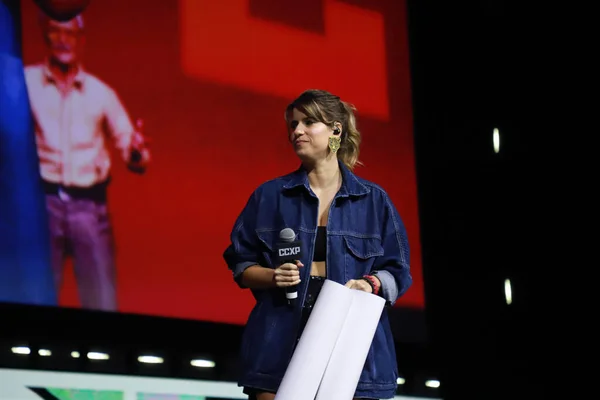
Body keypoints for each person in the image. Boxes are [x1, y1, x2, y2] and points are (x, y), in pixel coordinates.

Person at [223, 89, 412, 399]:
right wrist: (273, 276)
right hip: (278, 348)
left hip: (353, 354)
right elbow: (241, 264)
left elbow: (398, 270)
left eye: (308, 122)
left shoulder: (375, 201)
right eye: (293, 124)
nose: (296, 131)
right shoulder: (269, 196)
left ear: (336, 129)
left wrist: (371, 284)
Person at [23, 13, 150, 311]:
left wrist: (135, 152)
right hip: (42, 207)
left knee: (102, 304)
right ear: (45, 34)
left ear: (82, 39)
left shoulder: (100, 93)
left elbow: (133, 152)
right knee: (33, 300)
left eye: (70, 33)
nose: (63, 39)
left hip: (89, 211)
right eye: (56, 31)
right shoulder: (25, 82)